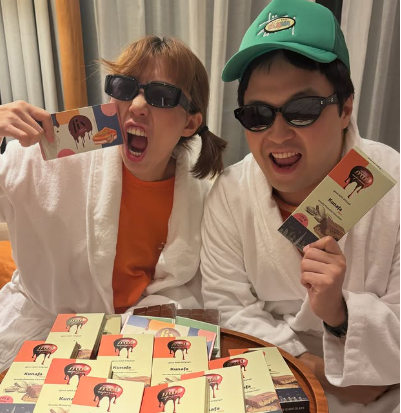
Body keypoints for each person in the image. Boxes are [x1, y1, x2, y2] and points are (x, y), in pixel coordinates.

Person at [200, 1, 399, 412]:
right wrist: (315, 369)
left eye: (302, 110)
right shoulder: (230, 195)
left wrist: (341, 314)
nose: (277, 135)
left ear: (345, 108)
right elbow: (228, 309)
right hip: (275, 380)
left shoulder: (393, 185)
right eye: (257, 114)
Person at [0, 35, 226, 371]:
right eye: (124, 87)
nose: (137, 106)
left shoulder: (204, 195)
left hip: (138, 336)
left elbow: (192, 284)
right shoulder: (51, 156)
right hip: (41, 329)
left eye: (162, 96)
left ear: (190, 122)